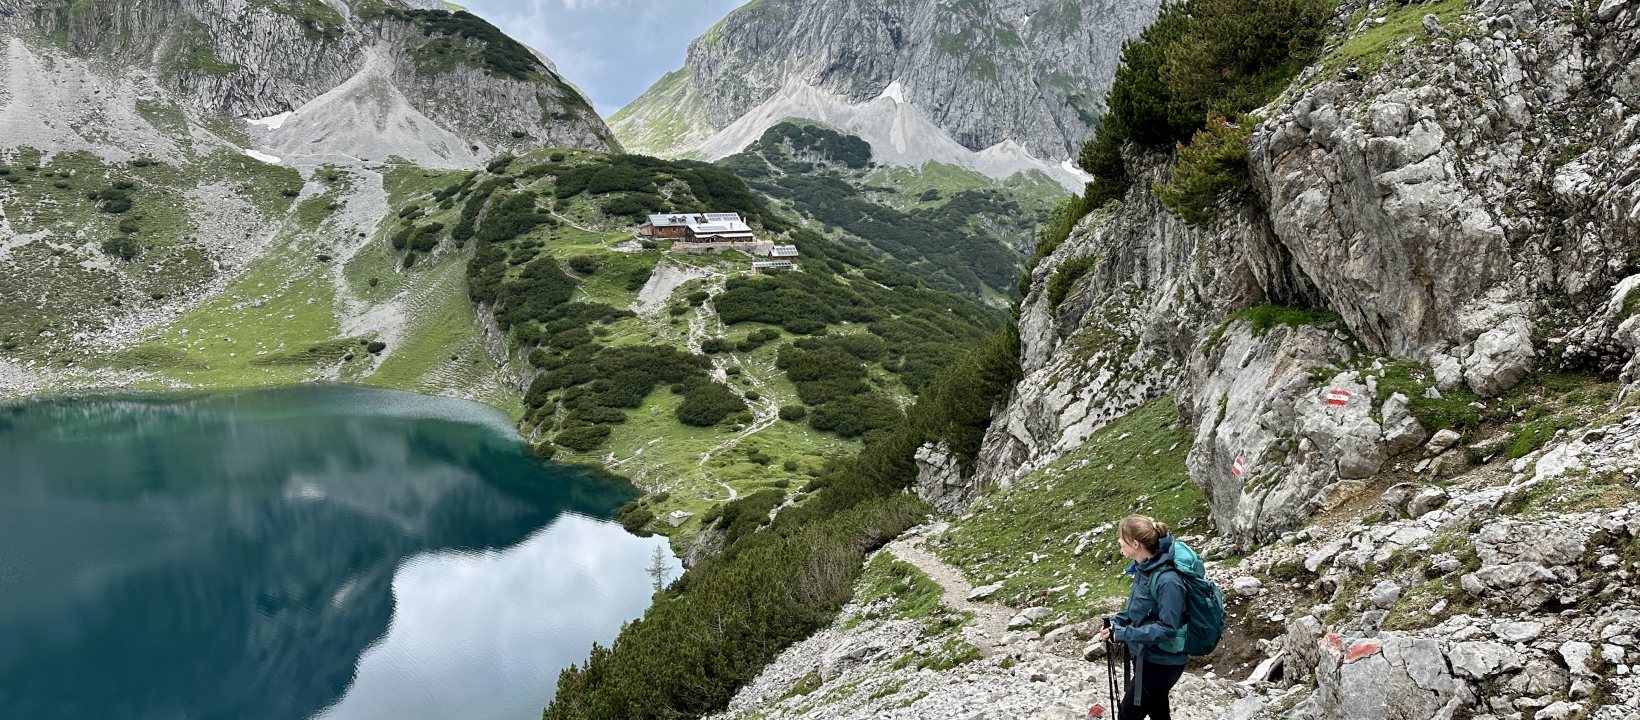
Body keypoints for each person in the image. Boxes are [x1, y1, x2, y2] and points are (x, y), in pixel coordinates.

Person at [1095, 515, 1187, 720]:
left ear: (1135, 543)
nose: (1118, 541)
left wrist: (1124, 634)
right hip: (1148, 656)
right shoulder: (1143, 569)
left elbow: (1168, 628)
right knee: (1159, 715)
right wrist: (1117, 624)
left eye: (1122, 537)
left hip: (1163, 662)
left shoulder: (1168, 581)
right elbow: (1134, 610)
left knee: (1127, 715)